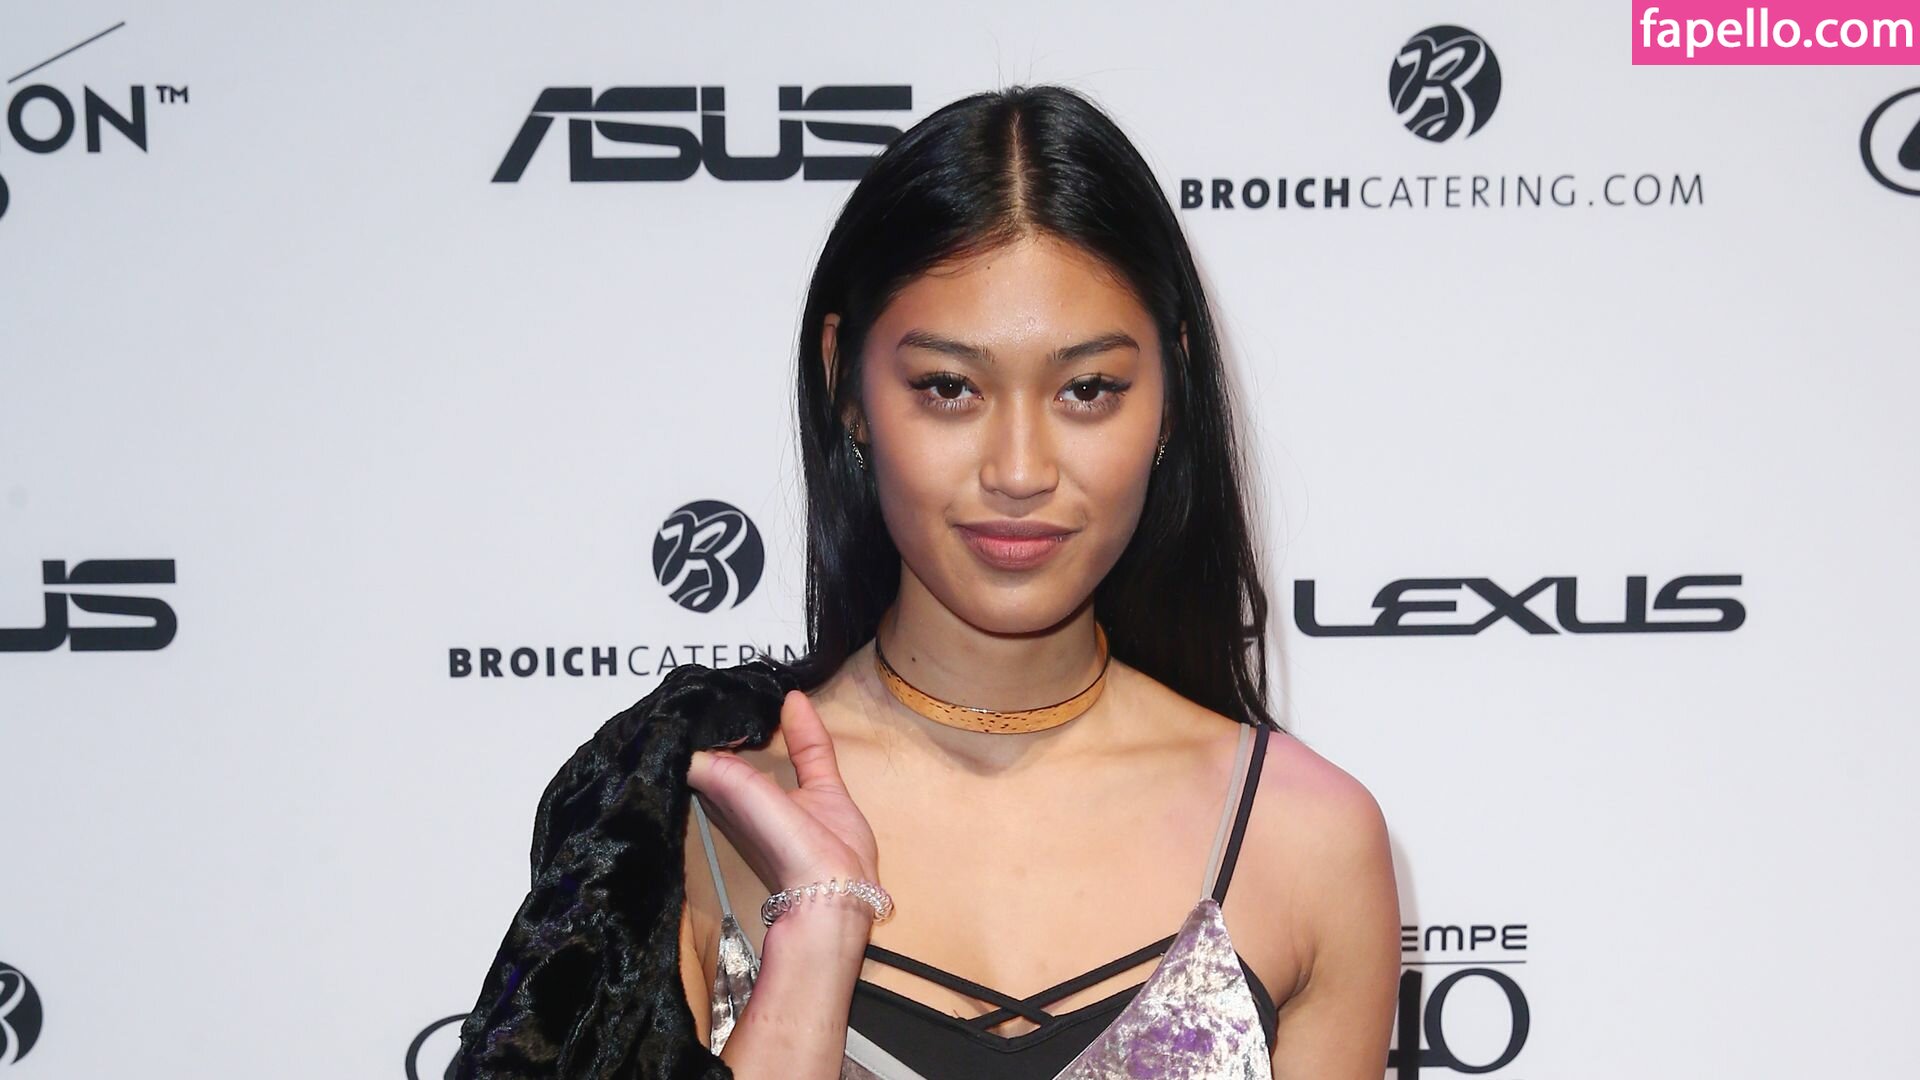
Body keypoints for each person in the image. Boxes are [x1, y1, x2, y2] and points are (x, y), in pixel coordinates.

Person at [449, 83, 1399, 1080]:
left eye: (1088, 389)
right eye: (949, 388)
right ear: (847, 387)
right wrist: (814, 936)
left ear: (1171, 395)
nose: (1020, 470)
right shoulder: (696, 810)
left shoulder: (1305, 838)